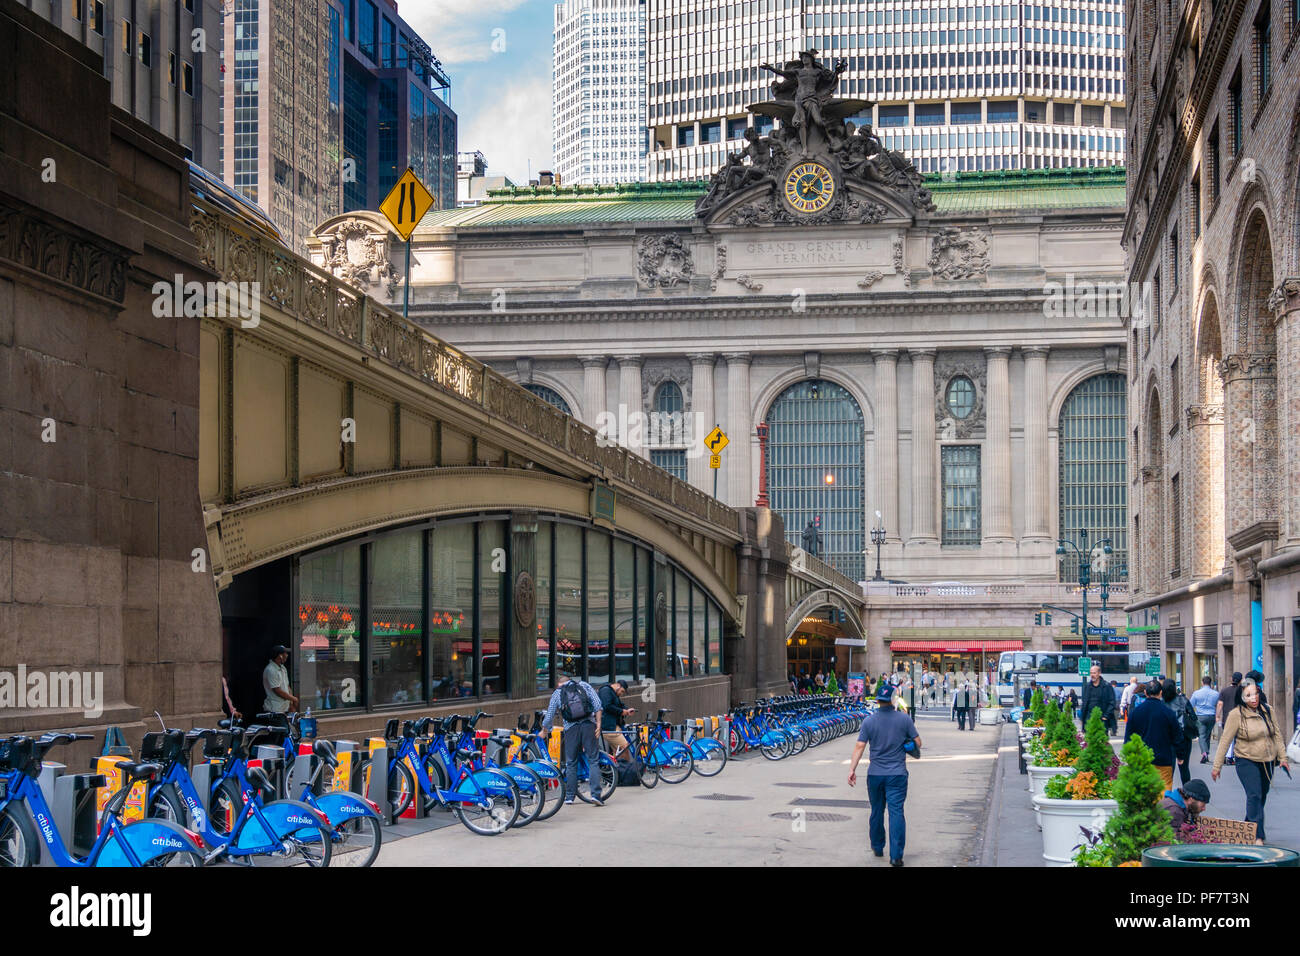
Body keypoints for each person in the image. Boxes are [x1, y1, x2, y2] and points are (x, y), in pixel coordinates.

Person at [848, 682, 921, 867]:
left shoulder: (869, 721)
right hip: (897, 774)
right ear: (893, 699)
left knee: (877, 811)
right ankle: (896, 857)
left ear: (878, 700)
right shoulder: (904, 719)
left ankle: (878, 846)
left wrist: (852, 769)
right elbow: (918, 743)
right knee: (896, 812)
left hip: (875, 774)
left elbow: (859, 746)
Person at [1212, 679, 1289, 844]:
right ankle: (1257, 836)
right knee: (1254, 795)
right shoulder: (1236, 715)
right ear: (1242, 697)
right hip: (1246, 760)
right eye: (1248, 695)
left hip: (1267, 761)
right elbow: (1225, 741)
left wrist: (1283, 758)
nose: (1253, 698)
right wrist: (1217, 766)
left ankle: (1247, 828)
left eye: (1255, 693)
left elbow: (1277, 734)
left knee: (1261, 796)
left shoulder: (1268, 710)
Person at [541, 671, 607, 805]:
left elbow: (549, 716)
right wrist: (598, 724)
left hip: (571, 729)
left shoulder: (557, 693)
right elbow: (598, 705)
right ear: (570, 680)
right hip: (589, 725)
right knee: (593, 760)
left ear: (559, 684)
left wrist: (544, 730)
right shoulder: (584, 686)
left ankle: (570, 797)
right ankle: (596, 795)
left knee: (571, 763)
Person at [1124, 679, 1181, 790]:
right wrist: (1180, 755)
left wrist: (1129, 756)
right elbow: (1177, 736)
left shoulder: (1136, 713)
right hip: (1163, 759)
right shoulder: (1168, 712)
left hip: (1142, 759)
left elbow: (1128, 737)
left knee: (1144, 791)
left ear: (1145, 693)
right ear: (1161, 693)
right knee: (1164, 791)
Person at [1162, 678, 1196, 786]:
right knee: (1184, 768)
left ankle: (1166, 795)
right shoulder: (1183, 700)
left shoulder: (1161, 702)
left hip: (1167, 739)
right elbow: (1193, 717)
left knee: (1168, 769)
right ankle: (1187, 793)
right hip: (1183, 737)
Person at [598, 679, 635, 761]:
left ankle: (617, 770)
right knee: (624, 747)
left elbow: (620, 704)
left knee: (618, 751)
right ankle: (626, 771)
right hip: (608, 726)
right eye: (622, 691)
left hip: (614, 726)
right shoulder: (605, 691)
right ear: (618, 685)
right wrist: (622, 711)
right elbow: (607, 706)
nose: (621, 694)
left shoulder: (613, 693)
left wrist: (627, 710)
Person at [1189, 676, 1219, 763]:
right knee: (1208, 735)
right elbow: (1218, 704)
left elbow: (1191, 705)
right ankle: (1206, 754)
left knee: (1202, 735)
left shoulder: (1196, 693)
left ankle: (1204, 754)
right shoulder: (1216, 694)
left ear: (1202, 682)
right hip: (1211, 716)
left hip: (1200, 717)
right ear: (1211, 683)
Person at [1215, 672, 1243, 766]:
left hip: (1227, 718)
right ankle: (1234, 756)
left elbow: (1220, 704)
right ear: (1241, 680)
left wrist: (1217, 716)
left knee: (1227, 738)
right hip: (1240, 718)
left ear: (1231, 679)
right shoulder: (1242, 691)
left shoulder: (1224, 691)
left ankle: (1228, 757)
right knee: (1238, 738)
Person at [262, 645, 297, 714]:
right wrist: (294, 698)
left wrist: (291, 703)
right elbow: (277, 690)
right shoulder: (270, 669)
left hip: (285, 708)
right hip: (275, 709)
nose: (287, 655)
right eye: (285, 654)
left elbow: (287, 686)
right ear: (280, 656)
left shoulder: (283, 668)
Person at [1079, 664, 1115, 731]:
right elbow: (1084, 703)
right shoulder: (1087, 686)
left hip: (1102, 719)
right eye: (1091, 673)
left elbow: (1112, 702)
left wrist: (1105, 716)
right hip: (1089, 719)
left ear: (1099, 673)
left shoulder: (1106, 686)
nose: (1092, 675)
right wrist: (1082, 718)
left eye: (1094, 673)